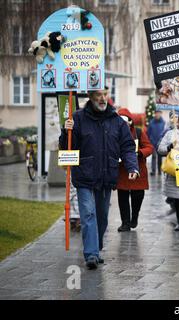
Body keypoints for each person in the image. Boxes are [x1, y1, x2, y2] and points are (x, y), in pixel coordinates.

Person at [59, 88, 139, 270]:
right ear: (90, 97)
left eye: (105, 94)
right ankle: (91, 254)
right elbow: (67, 147)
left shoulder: (117, 121)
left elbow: (127, 146)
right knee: (88, 213)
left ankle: (96, 246)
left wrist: (132, 166)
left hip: (106, 175)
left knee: (102, 217)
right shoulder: (77, 118)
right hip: (84, 175)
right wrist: (66, 132)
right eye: (98, 95)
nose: (103, 99)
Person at [116, 108, 154, 232]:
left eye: (126, 121)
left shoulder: (138, 132)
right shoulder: (115, 133)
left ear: (130, 122)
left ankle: (135, 216)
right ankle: (125, 222)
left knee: (137, 196)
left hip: (138, 170)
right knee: (122, 198)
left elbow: (149, 147)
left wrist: (140, 153)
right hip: (122, 171)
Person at [147, 110, 165, 175]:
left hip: (160, 143)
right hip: (153, 143)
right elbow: (148, 133)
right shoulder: (151, 122)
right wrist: (149, 140)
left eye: (159, 113)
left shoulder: (163, 123)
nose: (157, 114)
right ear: (155, 114)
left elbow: (164, 133)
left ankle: (160, 171)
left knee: (160, 158)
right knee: (154, 157)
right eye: (156, 113)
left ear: (160, 114)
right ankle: (153, 171)